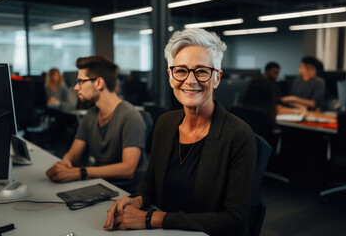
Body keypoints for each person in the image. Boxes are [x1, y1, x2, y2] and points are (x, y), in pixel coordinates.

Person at [103, 29, 257, 235]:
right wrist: (138, 199)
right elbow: (151, 180)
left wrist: (152, 218)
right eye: (181, 70)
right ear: (170, 76)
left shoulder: (238, 135)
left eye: (202, 71)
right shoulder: (165, 123)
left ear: (217, 78)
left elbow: (234, 220)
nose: (190, 80)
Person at [46, 55, 146, 192]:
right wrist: (65, 163)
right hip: (99, 186)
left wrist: (79, 172)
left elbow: (128, 169)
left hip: (126, 192)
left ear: (99, 83)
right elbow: (73, 153)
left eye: (80, 82)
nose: (76, 88)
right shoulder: (90, 115)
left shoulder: (130, 116)